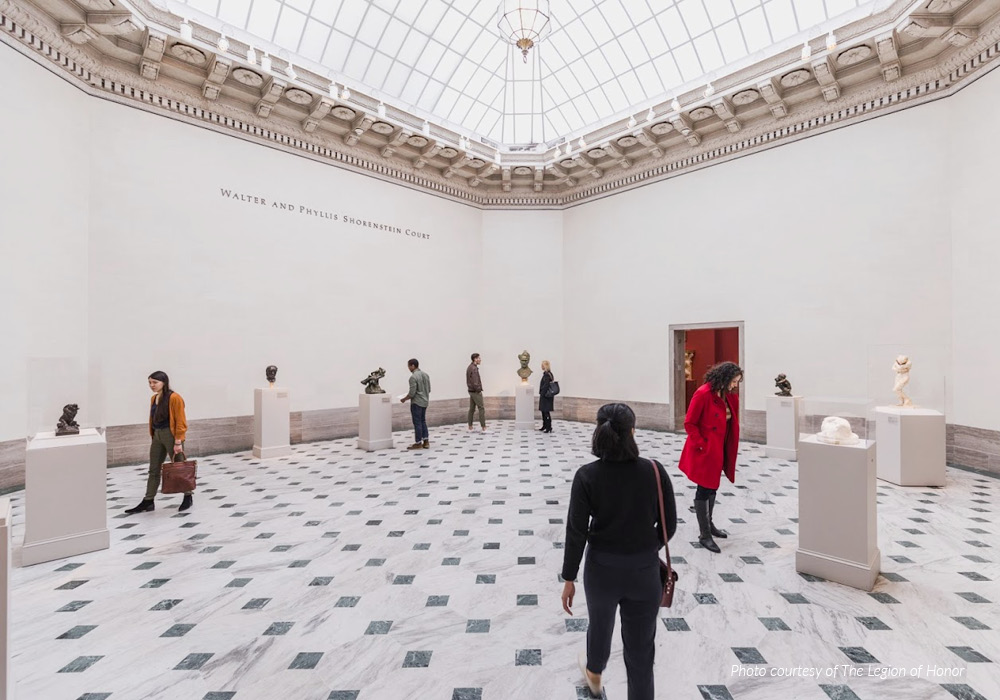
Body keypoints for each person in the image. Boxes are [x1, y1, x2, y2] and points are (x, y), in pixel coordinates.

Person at [560, 403, 677, 700]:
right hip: (643, 572)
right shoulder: (653, 470)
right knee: (641, 652)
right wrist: (644, 547)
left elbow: (576, 532)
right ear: (633, 432)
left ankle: (595, 672)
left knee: (600, 623)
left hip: (601, 570)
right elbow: (670, 524)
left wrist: (569, 578)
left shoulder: (587, 475)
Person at [678, 361, 743, 553]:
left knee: (713, 486)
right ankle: (704, 535)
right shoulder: (703, 393)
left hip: (719, 448)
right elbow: (690, 423)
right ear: (724, 378)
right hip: (705, 450)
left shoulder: (727, 395)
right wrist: (702, 444)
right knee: (704, 489)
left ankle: (710, 525)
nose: (735, 385)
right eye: (734, 381)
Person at [125, 371, 193, 514]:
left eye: (155, 382)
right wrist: (154, 434)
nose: (152, 385)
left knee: (180, 467)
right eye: (150, 382)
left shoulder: (175, 398)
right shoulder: (154, 398)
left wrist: (178, 441)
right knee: (153, 468)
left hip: (172, 435)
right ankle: (148, 501)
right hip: (157, 435)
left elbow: (181, 421)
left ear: (164, 382)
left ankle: (188, 496)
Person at [400, 358, 431, 449]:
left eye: (409, 366)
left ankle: (418, 442)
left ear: (413, 366)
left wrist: (404, 399)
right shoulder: (426, 375)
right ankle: (426, 441)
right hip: (425, 401)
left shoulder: (413, 377)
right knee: (423, 421)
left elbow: (412, 393)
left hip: (417, 403)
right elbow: (428, 389)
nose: (408, 368)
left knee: (417, 422)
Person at [466, 352, 486, 432]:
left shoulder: (470, 367)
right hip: (475, 391)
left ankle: (470, 427)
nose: (480, 360)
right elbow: (475, 381)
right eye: (479, 358)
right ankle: (484, 427)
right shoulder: (474, 369)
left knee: (471, 409)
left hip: (471, 391)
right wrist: (478, 390)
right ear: (475, 359)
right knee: (481, 408)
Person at [538, 360, 555, 433]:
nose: (541, 366)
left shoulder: (547, 375)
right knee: (543, 411)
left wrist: (542, 394)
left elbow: (546, 385)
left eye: (542, 365)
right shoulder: (546, 374)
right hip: (545, 396)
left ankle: (549, 427)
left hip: (546, 396)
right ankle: (545, 425)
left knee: (546, 412)